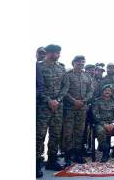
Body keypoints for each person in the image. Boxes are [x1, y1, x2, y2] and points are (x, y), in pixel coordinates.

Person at [36, 44, 65, 177]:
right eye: (57, 53)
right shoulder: (38, 67)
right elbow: (35, 86)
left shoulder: (61, 68)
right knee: (39, 135)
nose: (59, 55)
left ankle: (52, 160)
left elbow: (66, 86)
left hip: (58, 107)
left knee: (55, 134)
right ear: (49, 53)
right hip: (43, 106)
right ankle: (36, 163)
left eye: (59, 53)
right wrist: (48, 100)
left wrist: (58, 100)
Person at [59, 55, 93, 166]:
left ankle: (78, 154)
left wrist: (84, 101)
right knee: (68, 132)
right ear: (73, 63)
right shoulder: (67, 75)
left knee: (80, 131)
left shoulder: (87, 76)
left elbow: (90, 91)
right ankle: (68, 156)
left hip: (82, 108)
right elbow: (64, 90)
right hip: (70, 108)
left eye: (83, 62)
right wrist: (74, 101)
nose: (81, 64)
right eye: (78, 62)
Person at [92, 84, 114, 162]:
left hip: (113, 123)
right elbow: (95, 114)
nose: (107, 92)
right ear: (102, 92)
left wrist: (113, 123)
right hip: (101, 123)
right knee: (100, 131)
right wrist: (104, 124)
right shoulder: (97, 102)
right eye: (105, 90)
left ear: (111, 93)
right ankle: (105, 152)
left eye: (109, 91)